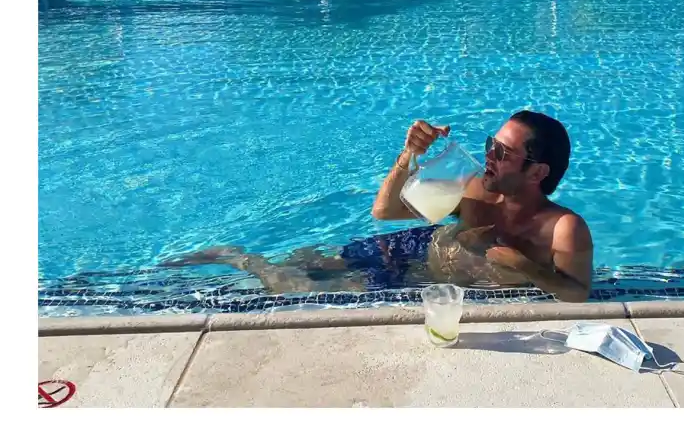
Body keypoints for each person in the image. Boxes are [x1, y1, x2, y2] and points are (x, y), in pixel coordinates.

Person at [163, 112, 594, 302]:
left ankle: (237, 259)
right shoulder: (474, 188)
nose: (489, 157)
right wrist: (408, 156)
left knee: (302, 288)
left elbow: (578, 292)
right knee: (304, 261)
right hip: (411, 247)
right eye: (489, 145)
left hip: (425, 278)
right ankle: (232, 260)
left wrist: (528, 268)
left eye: (502, 152)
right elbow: (384, 212)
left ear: (539, 173)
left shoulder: (563, 229)